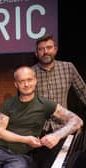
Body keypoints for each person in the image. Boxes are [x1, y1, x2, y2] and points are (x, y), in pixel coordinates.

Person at [0, 66, 83, 168]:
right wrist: (27, 140)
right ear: (16, 84)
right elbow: (0, 132)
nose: (26, 84)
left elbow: (77, 120)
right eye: (22, 81)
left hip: (21, 155)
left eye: (29, 80)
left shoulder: (45, 104)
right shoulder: (9, 103)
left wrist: (57, 135)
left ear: (35, 81)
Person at [31, 34, 86, 167]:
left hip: (63, 128)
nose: (45, 52)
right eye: (41, 49)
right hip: (39, 132)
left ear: (55, 49)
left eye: (49, 47)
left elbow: (83, 92)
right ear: (36, 53)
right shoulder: (30, 73)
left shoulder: (68, 68)